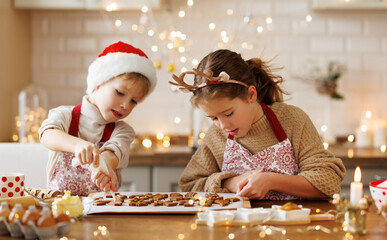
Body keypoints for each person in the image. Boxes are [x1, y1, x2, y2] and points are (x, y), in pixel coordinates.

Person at [169, 49, 345, 200]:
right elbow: (189, 184)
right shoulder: (216, 136)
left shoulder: (292, 120)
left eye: (228, 113)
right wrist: (230, 182)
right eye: (213, 118)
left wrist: (270, 181)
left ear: (251, 95)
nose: (222, 125)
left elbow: (328, 179)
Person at [39, 41, 157, 196]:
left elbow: (112, 155)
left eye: (134, 101)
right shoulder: (64, 115)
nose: (125, 105)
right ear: (98, 83)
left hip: (101, 213)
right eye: (120, 93)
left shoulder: (123, 131)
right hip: (59, 210)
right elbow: (46, 135)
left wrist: (103, 168)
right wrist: (78, 145)